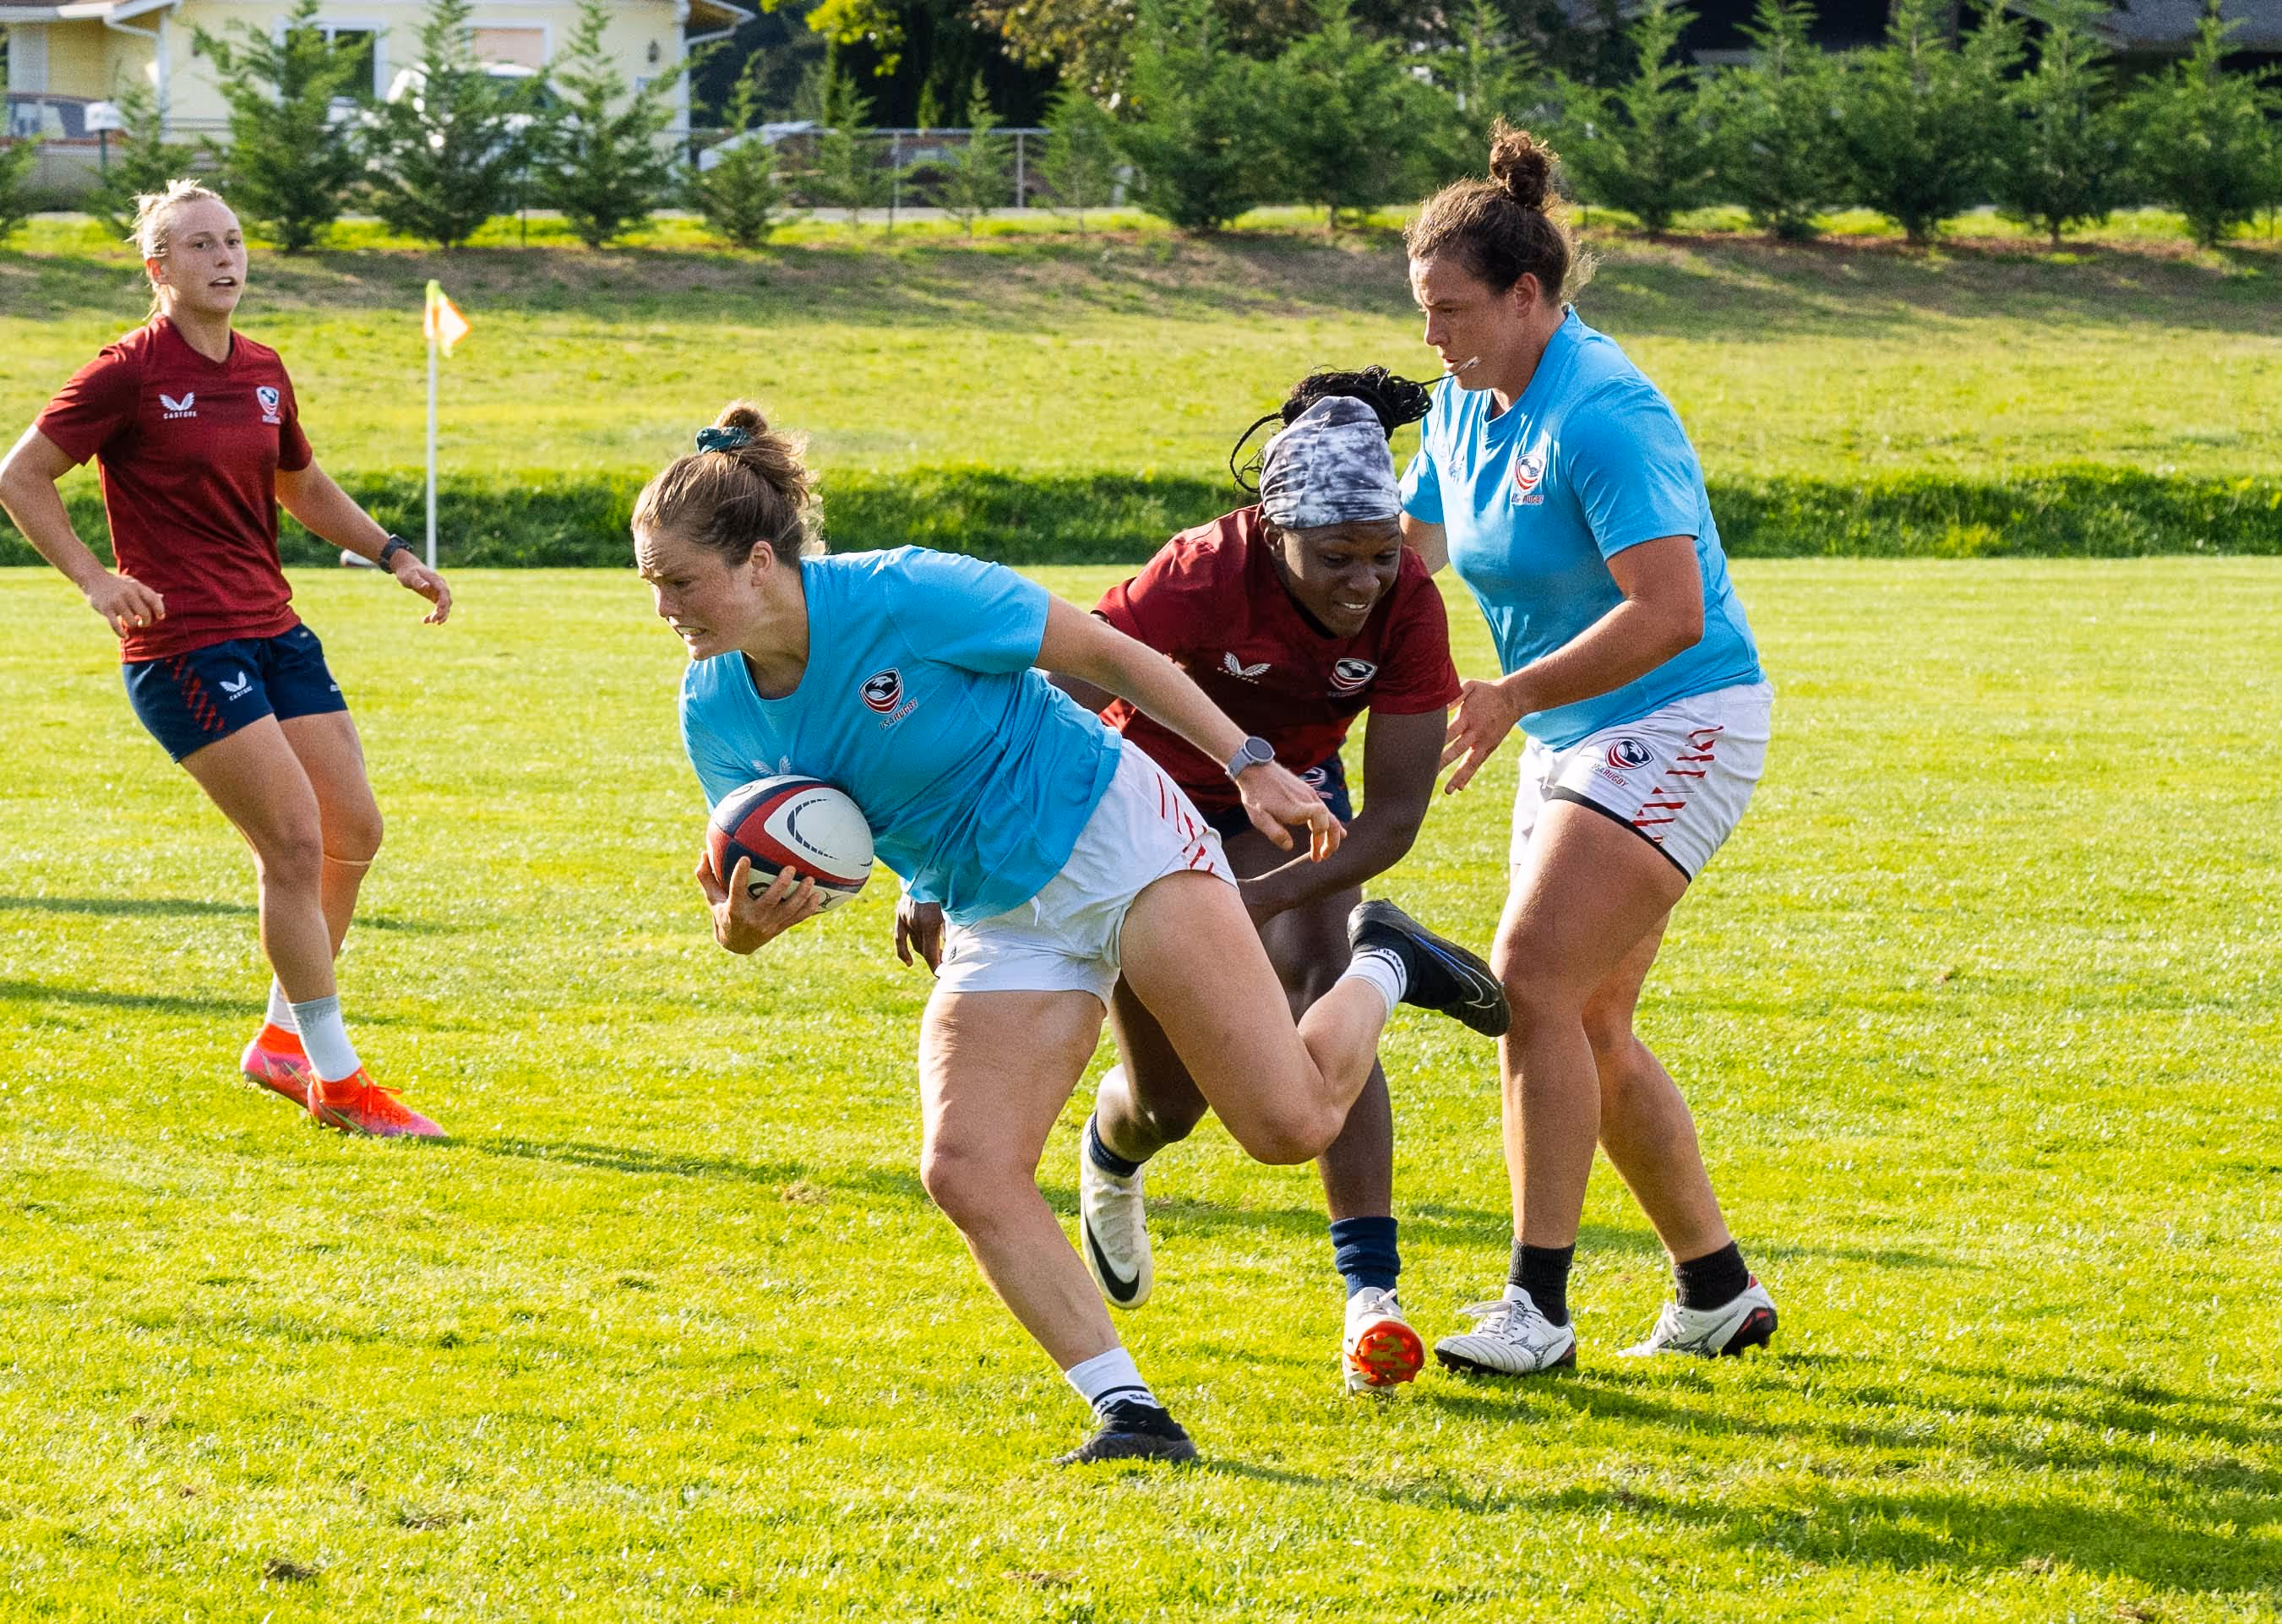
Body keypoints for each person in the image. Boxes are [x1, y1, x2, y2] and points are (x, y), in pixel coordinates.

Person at [640, 401, 1510, 1464]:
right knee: (966, 1165)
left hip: (1112, 833)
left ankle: (1385, 956)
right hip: (994, 905)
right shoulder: (712, 709)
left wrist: (1246, 760)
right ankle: (1128, 1410)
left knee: (1286, 1126)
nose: (664, 606)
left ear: (759, 560)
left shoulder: (904, 592)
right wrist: (746, 927)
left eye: (678, 581)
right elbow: (752, 860)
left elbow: (1109, 650)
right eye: (650, 583)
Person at [1397, 123, 1779, 1374]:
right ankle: (1715, 1291)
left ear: (1525, 295)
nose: (1434, 340)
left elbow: (1668, 611)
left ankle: (1535, 1310)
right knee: (1591, 1020)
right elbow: (1409, 558)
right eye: (1420, 313)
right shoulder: (1462, 405)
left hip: (1681, 713)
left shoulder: (1606, 409)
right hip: (1570, 730)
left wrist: (1508, 692)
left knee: (1531, 982)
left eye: (1453, 310)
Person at [1010, 370, 1463, 1397]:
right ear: (1270, 531)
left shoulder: (1406, 603)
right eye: (1334, 557)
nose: (1363, 580)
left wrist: (1259, 900)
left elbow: (1391, 816)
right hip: (1139, 807)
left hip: (1285, 808)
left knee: (1319, 969)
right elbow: (1057, 692)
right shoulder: (1201, 571)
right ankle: (1114, 1152)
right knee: (1171, 1101)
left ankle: (1370, 1298)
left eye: (1383, 553)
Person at [0, 180, 454, 1139]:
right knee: (291, 840)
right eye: (199, 245)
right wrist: (92, 579)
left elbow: (300, 481)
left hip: (273, 626)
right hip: (183, 645)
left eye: (234, 240)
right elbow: (20, 475)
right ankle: (338, 1081)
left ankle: (283, 1042)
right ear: (157, 269)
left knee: (352, 832)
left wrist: (394, 553)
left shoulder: (263, 368)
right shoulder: (124, 371)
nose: (225, 257)